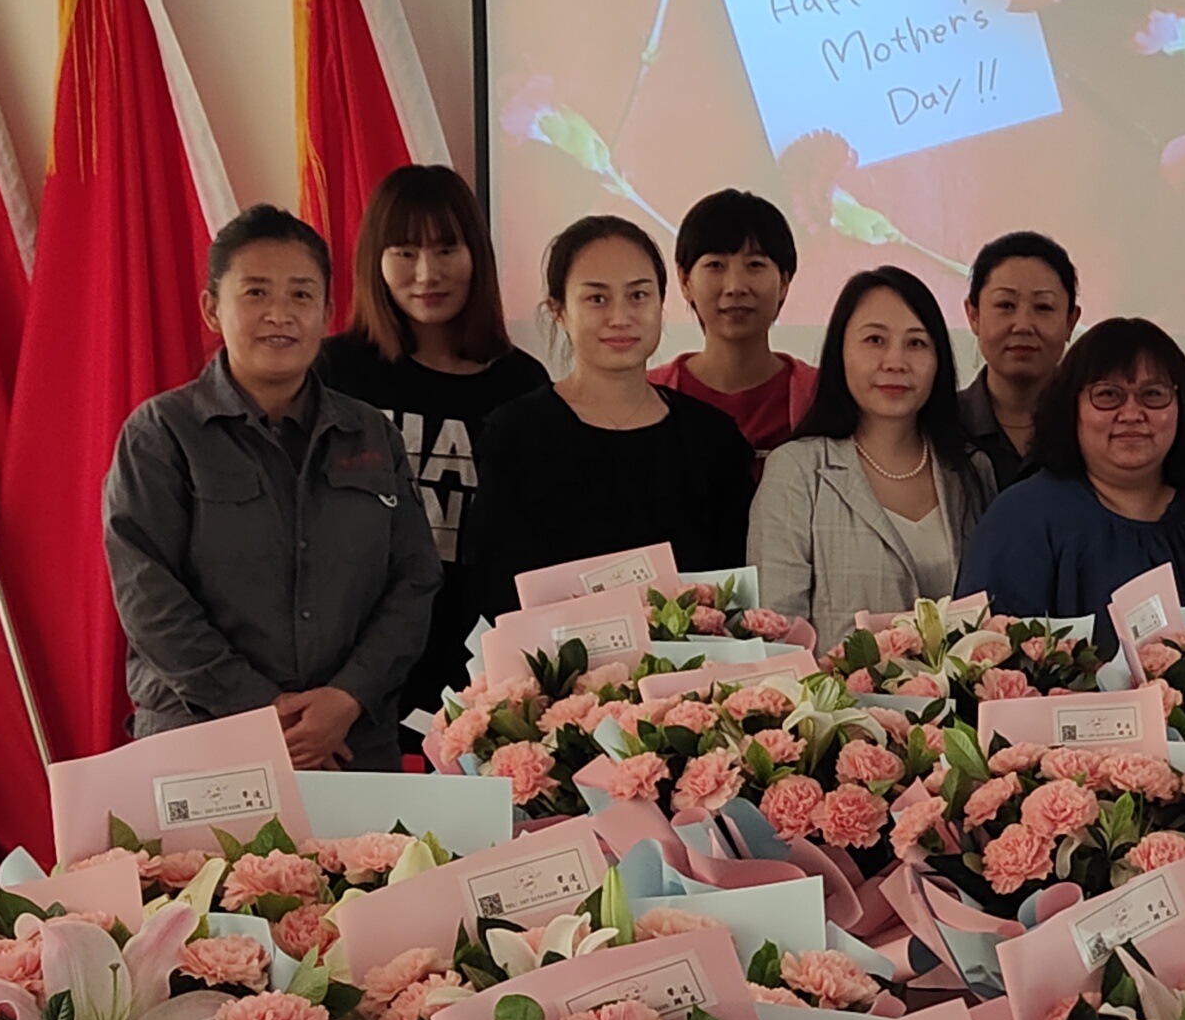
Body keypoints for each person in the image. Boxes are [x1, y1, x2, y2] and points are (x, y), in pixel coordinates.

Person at [103, 204, 437, 771]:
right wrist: (261, 712)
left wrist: (347, 696)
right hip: (206, 741)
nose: (279, 314)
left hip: (348, 742)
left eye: (301, 295)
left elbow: (415, 579)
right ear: (212, 308)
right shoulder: (161, 434)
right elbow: (148, 596)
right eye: (256, 293)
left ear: (327, 314)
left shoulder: (371, 432)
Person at [310, 163, 545, 753]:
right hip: (347, 669)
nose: (426, 273)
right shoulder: (334, 373)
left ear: (476, 255)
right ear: (375, 259)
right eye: (405, 252)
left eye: (446, 249)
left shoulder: (521, 385)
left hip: (478, 668)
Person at [465, 215, 759, 611]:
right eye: (597, 299)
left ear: (661, 303)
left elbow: (735, 595)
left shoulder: (713, 441)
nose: (620, 317)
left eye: (638, 295)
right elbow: (497, 590)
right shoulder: (515, 436)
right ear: (559, 311)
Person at [753, 267, 999, 630]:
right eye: (874, 340)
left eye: (916, 343)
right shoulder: (797, 470)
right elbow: (776, 630)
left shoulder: (971, 470)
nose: (895, 362)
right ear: (840, 352)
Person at [956, 317, 1185, 624]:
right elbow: (984, 644)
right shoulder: (1021, 517)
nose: (1131, 414)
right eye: (1108, 395)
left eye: (1153, 394)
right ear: (1071, 407)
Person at [656, 188, 814, 450]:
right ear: (685, 281)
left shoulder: (821, 396)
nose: (735, 287)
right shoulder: (646, 393)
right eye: (716, 265)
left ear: (784, 282)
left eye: (755, 265)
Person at [952, 231, 1081, 472]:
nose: (1023, 325)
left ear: (1070, 321)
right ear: (974, 315)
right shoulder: (940, 425)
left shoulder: (1094, 424)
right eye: (1005, 305)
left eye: (1043, 307)